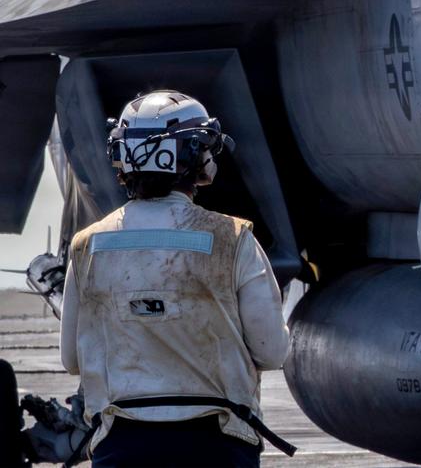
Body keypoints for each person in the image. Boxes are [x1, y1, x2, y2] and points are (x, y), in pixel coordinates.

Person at [60, 91, 292, 467]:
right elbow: (271, 351)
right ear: (194, 155)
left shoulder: (87, 247)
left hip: (122, 445)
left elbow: (72, 358)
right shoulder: (232, 240)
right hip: (219, 444)